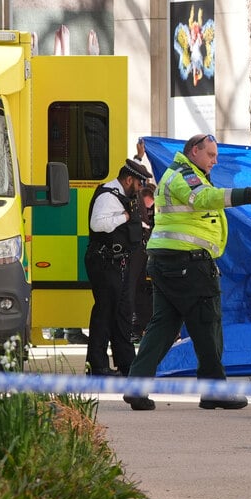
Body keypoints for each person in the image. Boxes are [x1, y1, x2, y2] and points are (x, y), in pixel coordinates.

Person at [123, 134, 251, 410]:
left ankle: (137, 386)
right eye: (211, 155)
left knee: (163, 327)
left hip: (168, 261)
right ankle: (214, 391)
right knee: (207, 324)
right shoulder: (185, 174)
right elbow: (204, 199)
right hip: (187, 263)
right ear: (194, 151)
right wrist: (248, 193)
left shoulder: (181, 173)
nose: (215, 161)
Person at [85, 159, 153, 376]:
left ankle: (126, 363)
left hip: (118, 262)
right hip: (104, 261)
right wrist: (124, 217)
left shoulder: (125, 196)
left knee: (122, 312)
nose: (141, 188)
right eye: (139, 183)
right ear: (129, 179)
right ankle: (98, 365)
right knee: (105, 313)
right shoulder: (108, 196)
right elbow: (98, 224)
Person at [127, 183, 156, 342]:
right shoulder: (138, 210)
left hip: (143, 257)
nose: (150, 207)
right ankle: (137, 328)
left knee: (142, 294)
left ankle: (139, 328)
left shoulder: (144, 211)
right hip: (139, 257)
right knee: (139, 294)